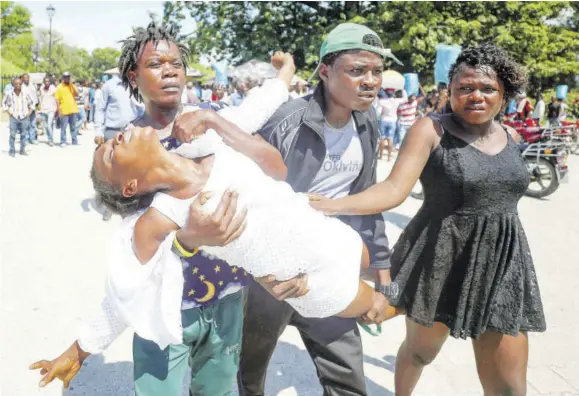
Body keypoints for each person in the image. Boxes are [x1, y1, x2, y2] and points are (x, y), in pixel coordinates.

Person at [28, 21, 301, 396]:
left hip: (227, 299)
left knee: (218, 390)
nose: (170, 70)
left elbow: (259, 107)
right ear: (133, 76)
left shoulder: (207, 123)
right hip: (162, 308)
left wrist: (284, 72)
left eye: (176, 62)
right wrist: (81, 348)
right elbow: (135, 266)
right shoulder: (131, 153)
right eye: (156, 64)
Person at [310, 43, 546, 396]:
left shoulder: (510, 136)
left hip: (501, 265)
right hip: (442, 259)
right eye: (464, 88)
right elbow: (393, 189)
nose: (476, 96)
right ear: (449, 91)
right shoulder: (430, 129)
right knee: (420, 353)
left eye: (487, 89)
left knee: (511, 387)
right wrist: (331, 205)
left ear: (504, 94)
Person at [239, 23, 399, 396]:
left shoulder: (367, 121)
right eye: (356, 70)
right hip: (270, 275)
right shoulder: (285, 122)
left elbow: (368, 198)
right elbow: (244, 196)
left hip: (329, 268)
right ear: (325, 72)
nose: (370, 81)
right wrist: (264, 268)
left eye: (376, 71)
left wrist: (381, 272)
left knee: (347, 376)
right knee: (250, 373)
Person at [2, 77, 33, 157]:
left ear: (21, 84)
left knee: (23, 135)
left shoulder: (26, 93)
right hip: (14, 117)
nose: (18, 85)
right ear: (13, 84)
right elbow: (4, 103)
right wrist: (9, 113)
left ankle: (22, 150)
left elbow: (32, 103)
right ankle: (12, 150)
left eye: (20, 84)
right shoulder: (9, 93)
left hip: (24, 117)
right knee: (12, 135)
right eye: (16, 84)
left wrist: (29, 113)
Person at [396, 85, 426, 150]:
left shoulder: (415, 103)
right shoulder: (402, 104)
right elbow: (398, 113)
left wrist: (420, 87)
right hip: (403, 124)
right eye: (412, 97)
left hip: (411, 124)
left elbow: (424, 96)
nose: (414, 98)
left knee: (411, 138)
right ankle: (402, 150)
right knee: (401, 139)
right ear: (408, 98)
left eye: (414, 97)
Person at [55, 72, 80, 146]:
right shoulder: (59, 87)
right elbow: (57, 100)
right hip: (64, 110)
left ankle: (74, 141)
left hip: (73, 109)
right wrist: (59, 111)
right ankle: (63, 141)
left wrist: (71, 85)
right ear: (63, 78)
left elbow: (77, 94)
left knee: (73, 127)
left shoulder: (72, 86)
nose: (67, 78)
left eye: (68, 77)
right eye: (65, 77)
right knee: (64, 127)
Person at [379, 89, 405, 161]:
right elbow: (404, 99)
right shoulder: (396, 101)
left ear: (386, 95)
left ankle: (381, 156)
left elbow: (379, 111)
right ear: (393, 94)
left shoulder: (382, 102)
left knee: (382, 138)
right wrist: (403, 90)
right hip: (393, 121)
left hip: (383, 120)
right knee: (390, 139)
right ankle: (389, 157)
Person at [38, 76, 58, 147]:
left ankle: (51, 140)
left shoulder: (54, 89)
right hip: (43, 109)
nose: (47, 83)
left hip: (51, 109)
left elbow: (56, 99)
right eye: (45, 81)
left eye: (48, 81)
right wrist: (39, 107)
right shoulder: (41, 89)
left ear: (50, 82)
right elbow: (40, 98)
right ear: (43, 82)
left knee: (49, 125)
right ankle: (49, 138)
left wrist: (57, 109)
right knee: (46, 126)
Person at [21, 73, 39, 144]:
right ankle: (26, 139)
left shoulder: (33, 85)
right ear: (22, 79)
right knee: (26, 124)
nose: (26, 79)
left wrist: (36, 104)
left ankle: (32, 139)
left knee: (33, 123)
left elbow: (36, 96)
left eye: (27, 78)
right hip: (25, 107)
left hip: (33, 107)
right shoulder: (21, 87)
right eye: (25, 78)